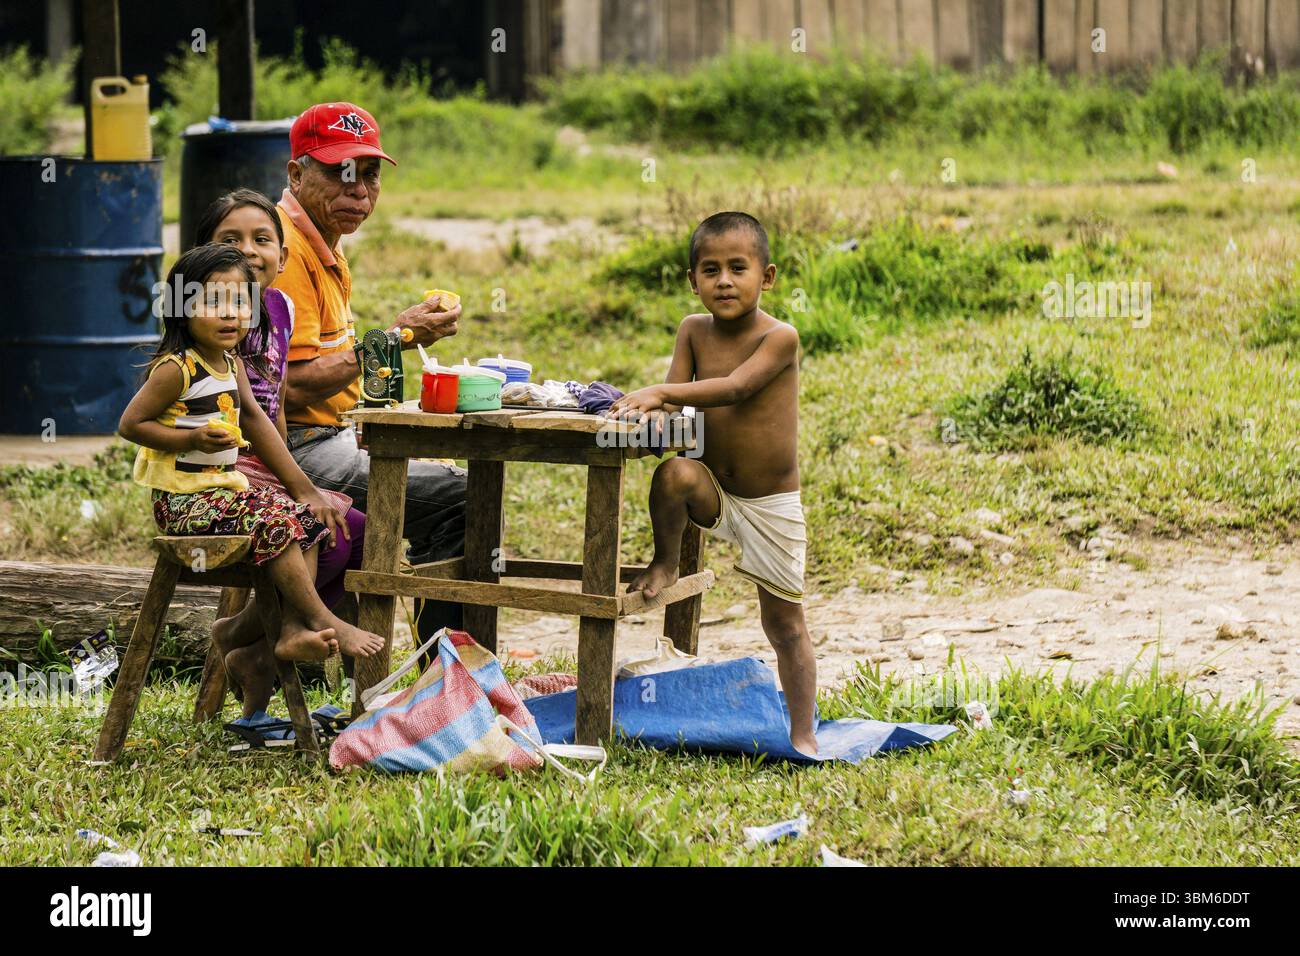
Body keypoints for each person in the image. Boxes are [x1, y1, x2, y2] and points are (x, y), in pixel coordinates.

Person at [119, 243, 385, 669]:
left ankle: (293, 628)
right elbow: (130, 425)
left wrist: (302, 488)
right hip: (185, 503)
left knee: (306, 515)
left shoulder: (231, 362)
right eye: (213, 302)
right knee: (278, 520)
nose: (230, 314)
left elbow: (257, 421)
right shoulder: (176, 368)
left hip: (224, 495)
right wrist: (188, 440)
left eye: (240, 302)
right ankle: (317, 618)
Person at [609, 211, 817, 755]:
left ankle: (803, 732)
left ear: (766, 277)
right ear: (692, 279)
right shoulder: (692, 330)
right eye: (710, 269)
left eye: (737, 268)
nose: (724, 280)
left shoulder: (780, 337)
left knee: (785, 623)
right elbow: (678, 396)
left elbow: (733, 389)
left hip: (771, 503)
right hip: (713, 490)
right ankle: (666, 560)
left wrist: (657, 393)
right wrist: (657, 414)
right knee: (673, 472)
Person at [272, 102, 465, 643]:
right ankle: (445, 674)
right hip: (294, 451)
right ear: (296, 174)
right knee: (462, 497)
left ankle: (436, 668)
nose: (359, 191)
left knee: (448, 473)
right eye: (342, 173)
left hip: (331, 435)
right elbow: (292, 388)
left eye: (370, 174)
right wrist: (394, 338)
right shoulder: (283, 250)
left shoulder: (323, 241)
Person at [193, 189, 370, 719]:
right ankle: (287, 631)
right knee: (314, 519)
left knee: (354, 530)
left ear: (284, 254)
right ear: (204, 255)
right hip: (222, 469)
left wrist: (294, 470)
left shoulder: (280, 307)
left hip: (268, 458)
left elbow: (275, 404)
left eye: (262, 239)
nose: (249, 251)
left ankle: (245, 639)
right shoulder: (215, 318)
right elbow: (247, 415)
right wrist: (300, 485)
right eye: (230, 240)